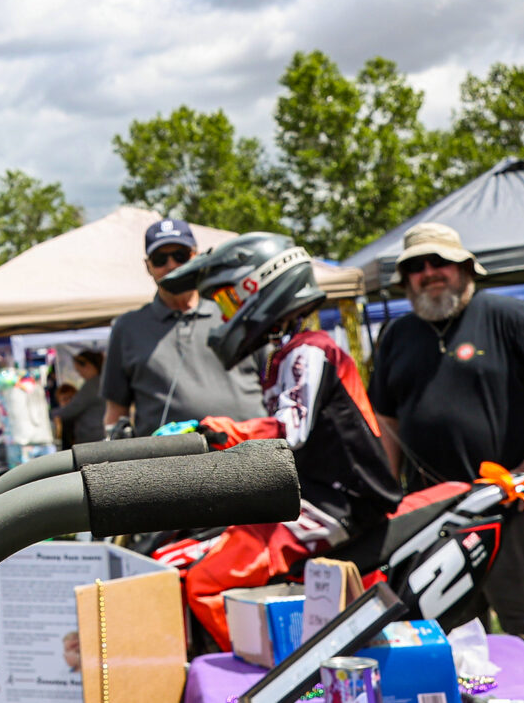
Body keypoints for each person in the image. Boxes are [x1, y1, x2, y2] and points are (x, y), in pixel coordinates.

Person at [368, 223, 524, 683]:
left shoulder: (508, 315)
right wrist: (386, 498)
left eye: (439, 262)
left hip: (516, 514)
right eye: (415, 267)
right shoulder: (397, 337)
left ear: (465, 268)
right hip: (434, 525)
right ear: (405, 281)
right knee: (451, 658)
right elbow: (387, 423)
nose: (429, 273)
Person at [154, 235, 402, 649]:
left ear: (258, 288)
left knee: (204, 580)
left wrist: (218, 431)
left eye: (230, 303)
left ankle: (260, 680)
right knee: (182, 551)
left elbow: (291, 431)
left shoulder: (310, 350)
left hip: (336, 504)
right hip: (309, 495)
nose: (226, 316)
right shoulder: (287, 353)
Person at [102, 219, 264, 434]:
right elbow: (115, 412)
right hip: (171, 462)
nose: (171, 265)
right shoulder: (127, 327)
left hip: (253, 452)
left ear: (195, 256)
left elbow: (272, 381)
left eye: (180, 256)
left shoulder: (237, 310)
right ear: (148, 266)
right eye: (160, 259)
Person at [52, 350, 106, 448]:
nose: (80, 374)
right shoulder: (100, 382)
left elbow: (73, 408)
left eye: (79, 370)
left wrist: (52, 414)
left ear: (88, 366)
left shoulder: (92, 385)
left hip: (93, 438)